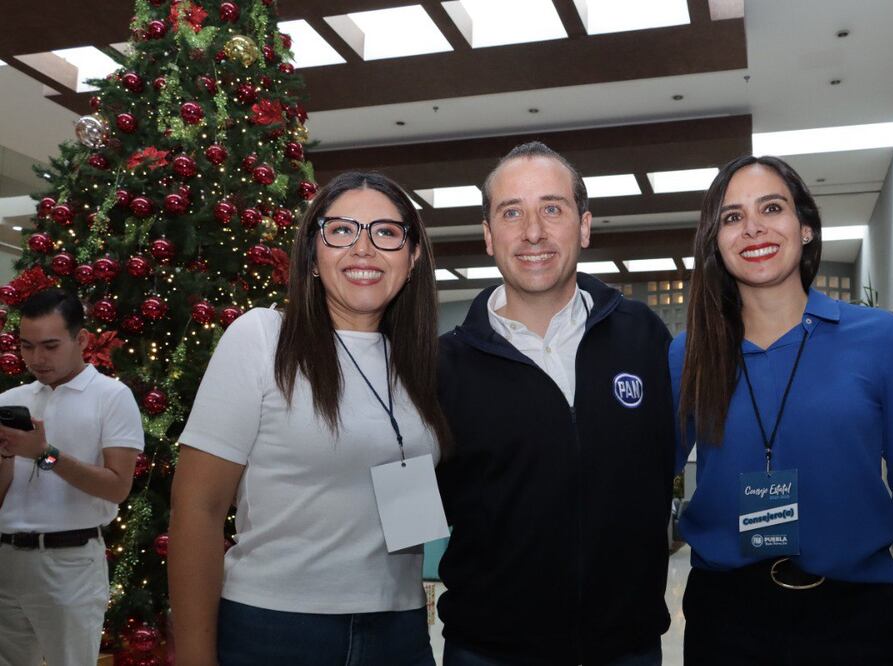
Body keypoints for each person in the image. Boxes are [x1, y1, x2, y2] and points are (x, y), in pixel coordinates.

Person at [669, 155, 893, 665]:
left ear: (804, 227)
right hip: (725, 623)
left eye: (772, 208)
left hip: (853, 623)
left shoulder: (882, 341)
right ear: (715, 241)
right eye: (732, 217)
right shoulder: (690, 353)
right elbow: (639, 486)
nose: (752, 227)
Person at [168, 171, 449, 666]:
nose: (364, 248)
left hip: (399, 629)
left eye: (386, 232)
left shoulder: (419, 363)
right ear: (312, 255)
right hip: (275, 629)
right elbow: (198, 509)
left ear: (413, 256)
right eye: (341, 230)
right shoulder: (262, 338)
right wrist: (194, 655)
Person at [436, 141, 675, 666]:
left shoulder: (643, 337)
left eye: (552, 208)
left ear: (584, 226)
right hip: (488, 651)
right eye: (511, 212)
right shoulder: (442, 365)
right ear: (488, 236)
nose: (533, 232)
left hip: (626, 647)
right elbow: (418, 504)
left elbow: (667, 456)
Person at [0, 288, 145, 666]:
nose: (36, 358)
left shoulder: (111, 397)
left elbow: (118, 487)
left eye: (50, 345)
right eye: (26, 346)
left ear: (81, 339)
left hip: (68, 562)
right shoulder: (10, 399)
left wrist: (45, 455)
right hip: (5, 558)